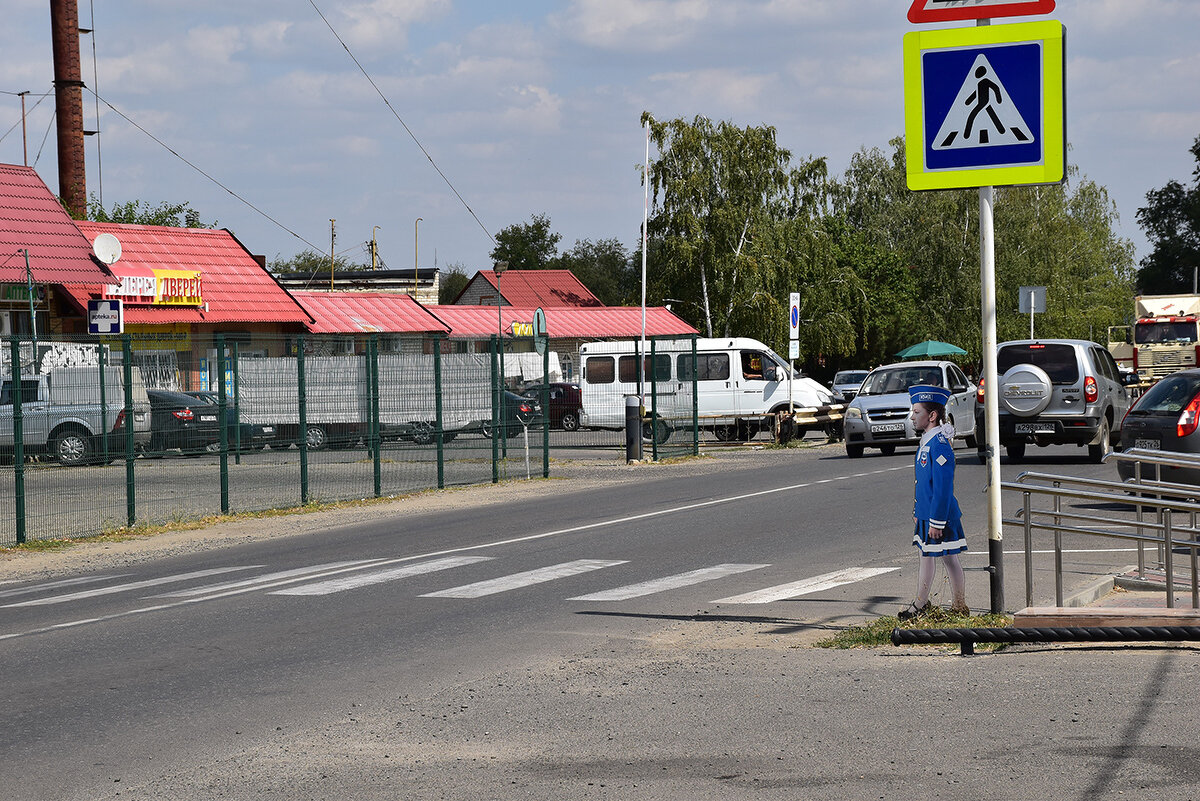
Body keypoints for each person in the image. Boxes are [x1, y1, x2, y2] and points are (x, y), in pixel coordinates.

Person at [899, 384, 968, 620]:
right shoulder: (928, 442)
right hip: (928, 515)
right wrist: (919, 512)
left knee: (949, 558)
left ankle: (958, 605)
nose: (912, 416)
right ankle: (922, 603)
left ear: (932, 416)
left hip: (941, 516)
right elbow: (924, 484)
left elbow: (943, 488)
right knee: (928, 556)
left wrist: (937, 522)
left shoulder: (938, 445)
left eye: (916, 412)